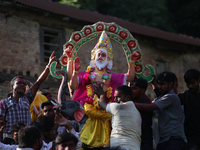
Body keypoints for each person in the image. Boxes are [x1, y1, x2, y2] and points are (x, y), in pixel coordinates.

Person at [66, 31, 139, 148]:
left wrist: (132, 61)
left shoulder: (111, 76)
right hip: (88, 112)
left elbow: (130, 77)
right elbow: (73, 84)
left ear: (108, 58)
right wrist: (72, 64)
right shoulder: (87, 74)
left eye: (103, 55)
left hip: (106, 111)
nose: (100, 57)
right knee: (83, 142)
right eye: (98, 55)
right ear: (93, 58)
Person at [0, 51, 56, 142]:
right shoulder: (4, 103)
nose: (22, 85)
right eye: (19, 83)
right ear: (12, 87)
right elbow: (1, 124)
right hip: (9, 139)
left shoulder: (27, 98)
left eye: (24, 83)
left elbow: (38, 82)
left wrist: (48, 66)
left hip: (26, 139)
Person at [134, 71, 186, 150]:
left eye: (162, 84)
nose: (159, 87)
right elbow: (149, 102)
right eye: (158, 84)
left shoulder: (171, 97)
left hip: (174, 140)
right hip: (165, 140)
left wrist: (130, 103)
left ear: (171, 84)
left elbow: (149, 107)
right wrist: (143, 88)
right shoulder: (163, 97)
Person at [94, 85, 141, 150]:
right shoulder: (136, 112)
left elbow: (102, 104)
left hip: (122, 146)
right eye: (115, 97)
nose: (115, 100)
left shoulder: (119, 107)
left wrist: (102, 95)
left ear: (128, 97)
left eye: (118, 97)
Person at [178, 69, 200, 149]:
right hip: (192, 138)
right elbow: (169, 100)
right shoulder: (186, 96)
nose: (190, 86)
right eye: (188, 83)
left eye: (193, 83)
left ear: (199, 80)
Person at [130, 78, 153, 150]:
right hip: (131, 141)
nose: (131, 91)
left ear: (142, 90)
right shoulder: (128, 103)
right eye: (130, 88)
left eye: (134, 89)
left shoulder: (146, 106)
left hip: (145, 141)